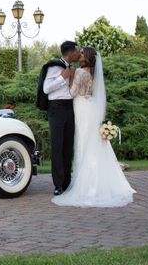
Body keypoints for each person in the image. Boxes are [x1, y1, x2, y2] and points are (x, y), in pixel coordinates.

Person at [52, 47, 136, 207]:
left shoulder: (80, 72)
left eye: (82, 53)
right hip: (89, 108)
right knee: (93, 143)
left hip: (81, 108)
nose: (80, 54)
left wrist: (66, 80)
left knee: (83, 143)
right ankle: (98, 180)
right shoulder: (93, 73)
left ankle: (87, 184)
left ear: (87, 58)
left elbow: (71, 94)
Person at [42, 41, 80, 196]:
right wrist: (62, 78)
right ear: (70, 53)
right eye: (76, 51)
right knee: (57, 146)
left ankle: (67, 181)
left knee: (67, 146)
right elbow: (46, 89)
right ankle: (58, 184)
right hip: (56, 108)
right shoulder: (54, 67)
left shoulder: (72, 68)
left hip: (69, 107)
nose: (78, 54)